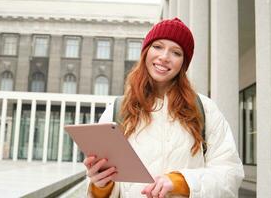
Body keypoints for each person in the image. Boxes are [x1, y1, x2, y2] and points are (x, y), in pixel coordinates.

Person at [84, 17, 244, 198]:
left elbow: (230, 174)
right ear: (146, 51)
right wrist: (101, 186)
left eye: (176, 52)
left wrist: (181, 182)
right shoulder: (118, 109)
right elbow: (105, 183)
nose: (164, 57)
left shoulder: (205, 109)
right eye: (158, 47)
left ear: (183, 63)